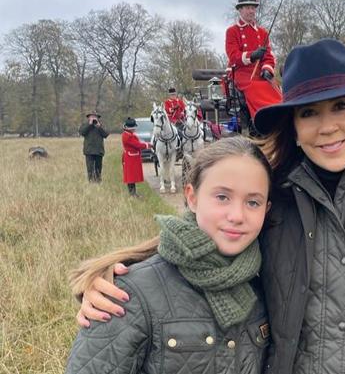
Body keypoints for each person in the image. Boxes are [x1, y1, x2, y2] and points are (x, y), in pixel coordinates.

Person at [72, 39, 345, 374]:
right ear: (293, 128)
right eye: (309, 112)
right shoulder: (272, 200)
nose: (328, 126)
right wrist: (114, 282)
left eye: (341, 106)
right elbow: (200, 249)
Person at [65, 137, 272, 374]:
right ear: (192, 198)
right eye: (222, 197)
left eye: (253, 202)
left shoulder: (267, 284)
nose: (237, 215)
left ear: (266, 209)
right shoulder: (128, 293)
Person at [225, 0, 282, 122]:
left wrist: (267, 69)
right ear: (240, 9)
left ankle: (281, 117)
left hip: (260, 73)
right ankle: (263, 121)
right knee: (255, 87)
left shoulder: (262, 32)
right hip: (242, 74)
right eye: (247, 8)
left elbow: (269, 56)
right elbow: (233, 56)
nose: (251, 11)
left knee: (275, 87)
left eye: (253, 8)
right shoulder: (232, 31)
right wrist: (252, 55)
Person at [121, 118, 152, 197]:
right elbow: (137, 145)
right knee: (130, 177)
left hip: (132, 157)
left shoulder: (129, 134)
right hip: (130, 157)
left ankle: (133, 193)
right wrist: (147, 145)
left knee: (132, 176)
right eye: (133, 127)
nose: (134, 129)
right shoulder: (127, 136)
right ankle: (132, 194)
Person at [78, 111, 109, 183]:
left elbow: (106, 134)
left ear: (98, 118)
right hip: (89, 151)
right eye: (92, 116)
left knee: (98, 168)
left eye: (95, 117)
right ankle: (91, 182)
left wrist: (99, 127)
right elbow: (82, 132)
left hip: (99, 151)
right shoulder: (85, 125)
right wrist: (89, 125)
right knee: (90, 169)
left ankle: (98, 181)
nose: (93, 118)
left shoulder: (100, 125)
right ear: (88, 118)